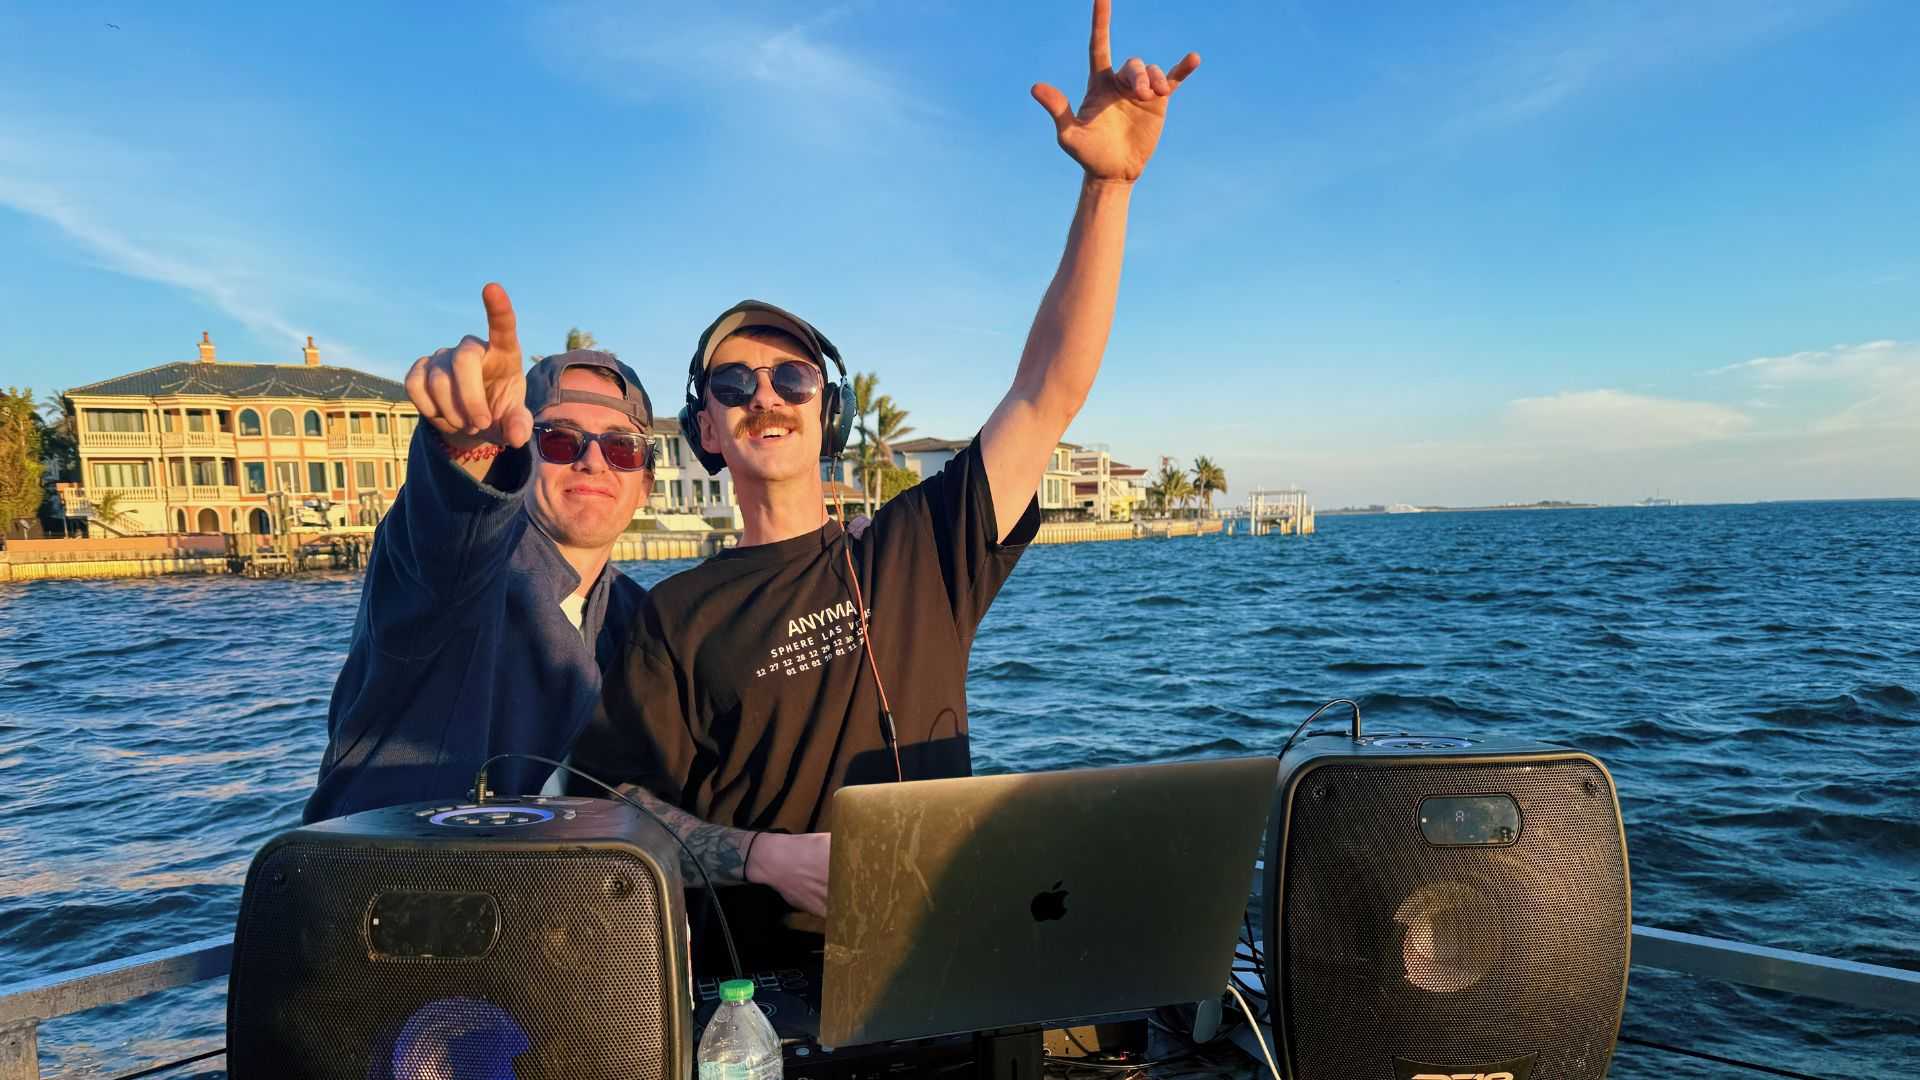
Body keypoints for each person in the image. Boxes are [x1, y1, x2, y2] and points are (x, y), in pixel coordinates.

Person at [569, 0, 1201, 970]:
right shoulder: (672, 618)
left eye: (793, 379)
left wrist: (1109, 191)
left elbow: (1047, 391)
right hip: (762, 1000)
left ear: (832, 415)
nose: (765, 399)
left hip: (945, 958)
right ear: (705, 430)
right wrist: (766, 858)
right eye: (734, 386)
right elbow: (609, 808)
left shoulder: (920, 552)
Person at [303, 284, 659, 822]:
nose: (593, 462)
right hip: (394, 890)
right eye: (560, 440)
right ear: (520, 451)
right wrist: (470, 448)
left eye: (622, 447)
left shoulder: (638, 620)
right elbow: (451, 526)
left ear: (646, 484)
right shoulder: (457, 573)